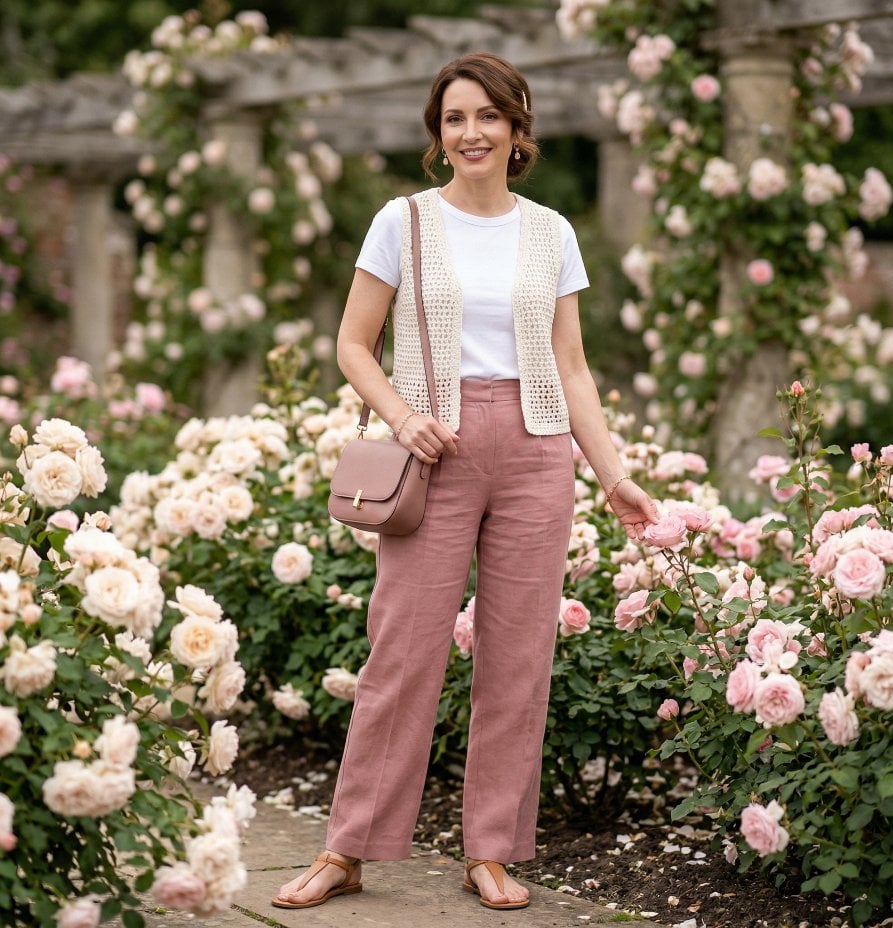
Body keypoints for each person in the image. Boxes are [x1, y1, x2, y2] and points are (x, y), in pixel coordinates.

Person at [273, 51, 659, 912]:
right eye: (455, 118)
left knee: (520, 659)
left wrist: (615, 476)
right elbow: (350, 343)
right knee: (402, 651)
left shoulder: (551, 232)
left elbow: (572, 366)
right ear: (437, 134)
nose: (471, 132)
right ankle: (349, 848)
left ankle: (491, 850)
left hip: (536, 451)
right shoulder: (402, 222)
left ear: (518, 129)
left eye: (488, 116)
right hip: (433, 451)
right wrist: (403, 414)